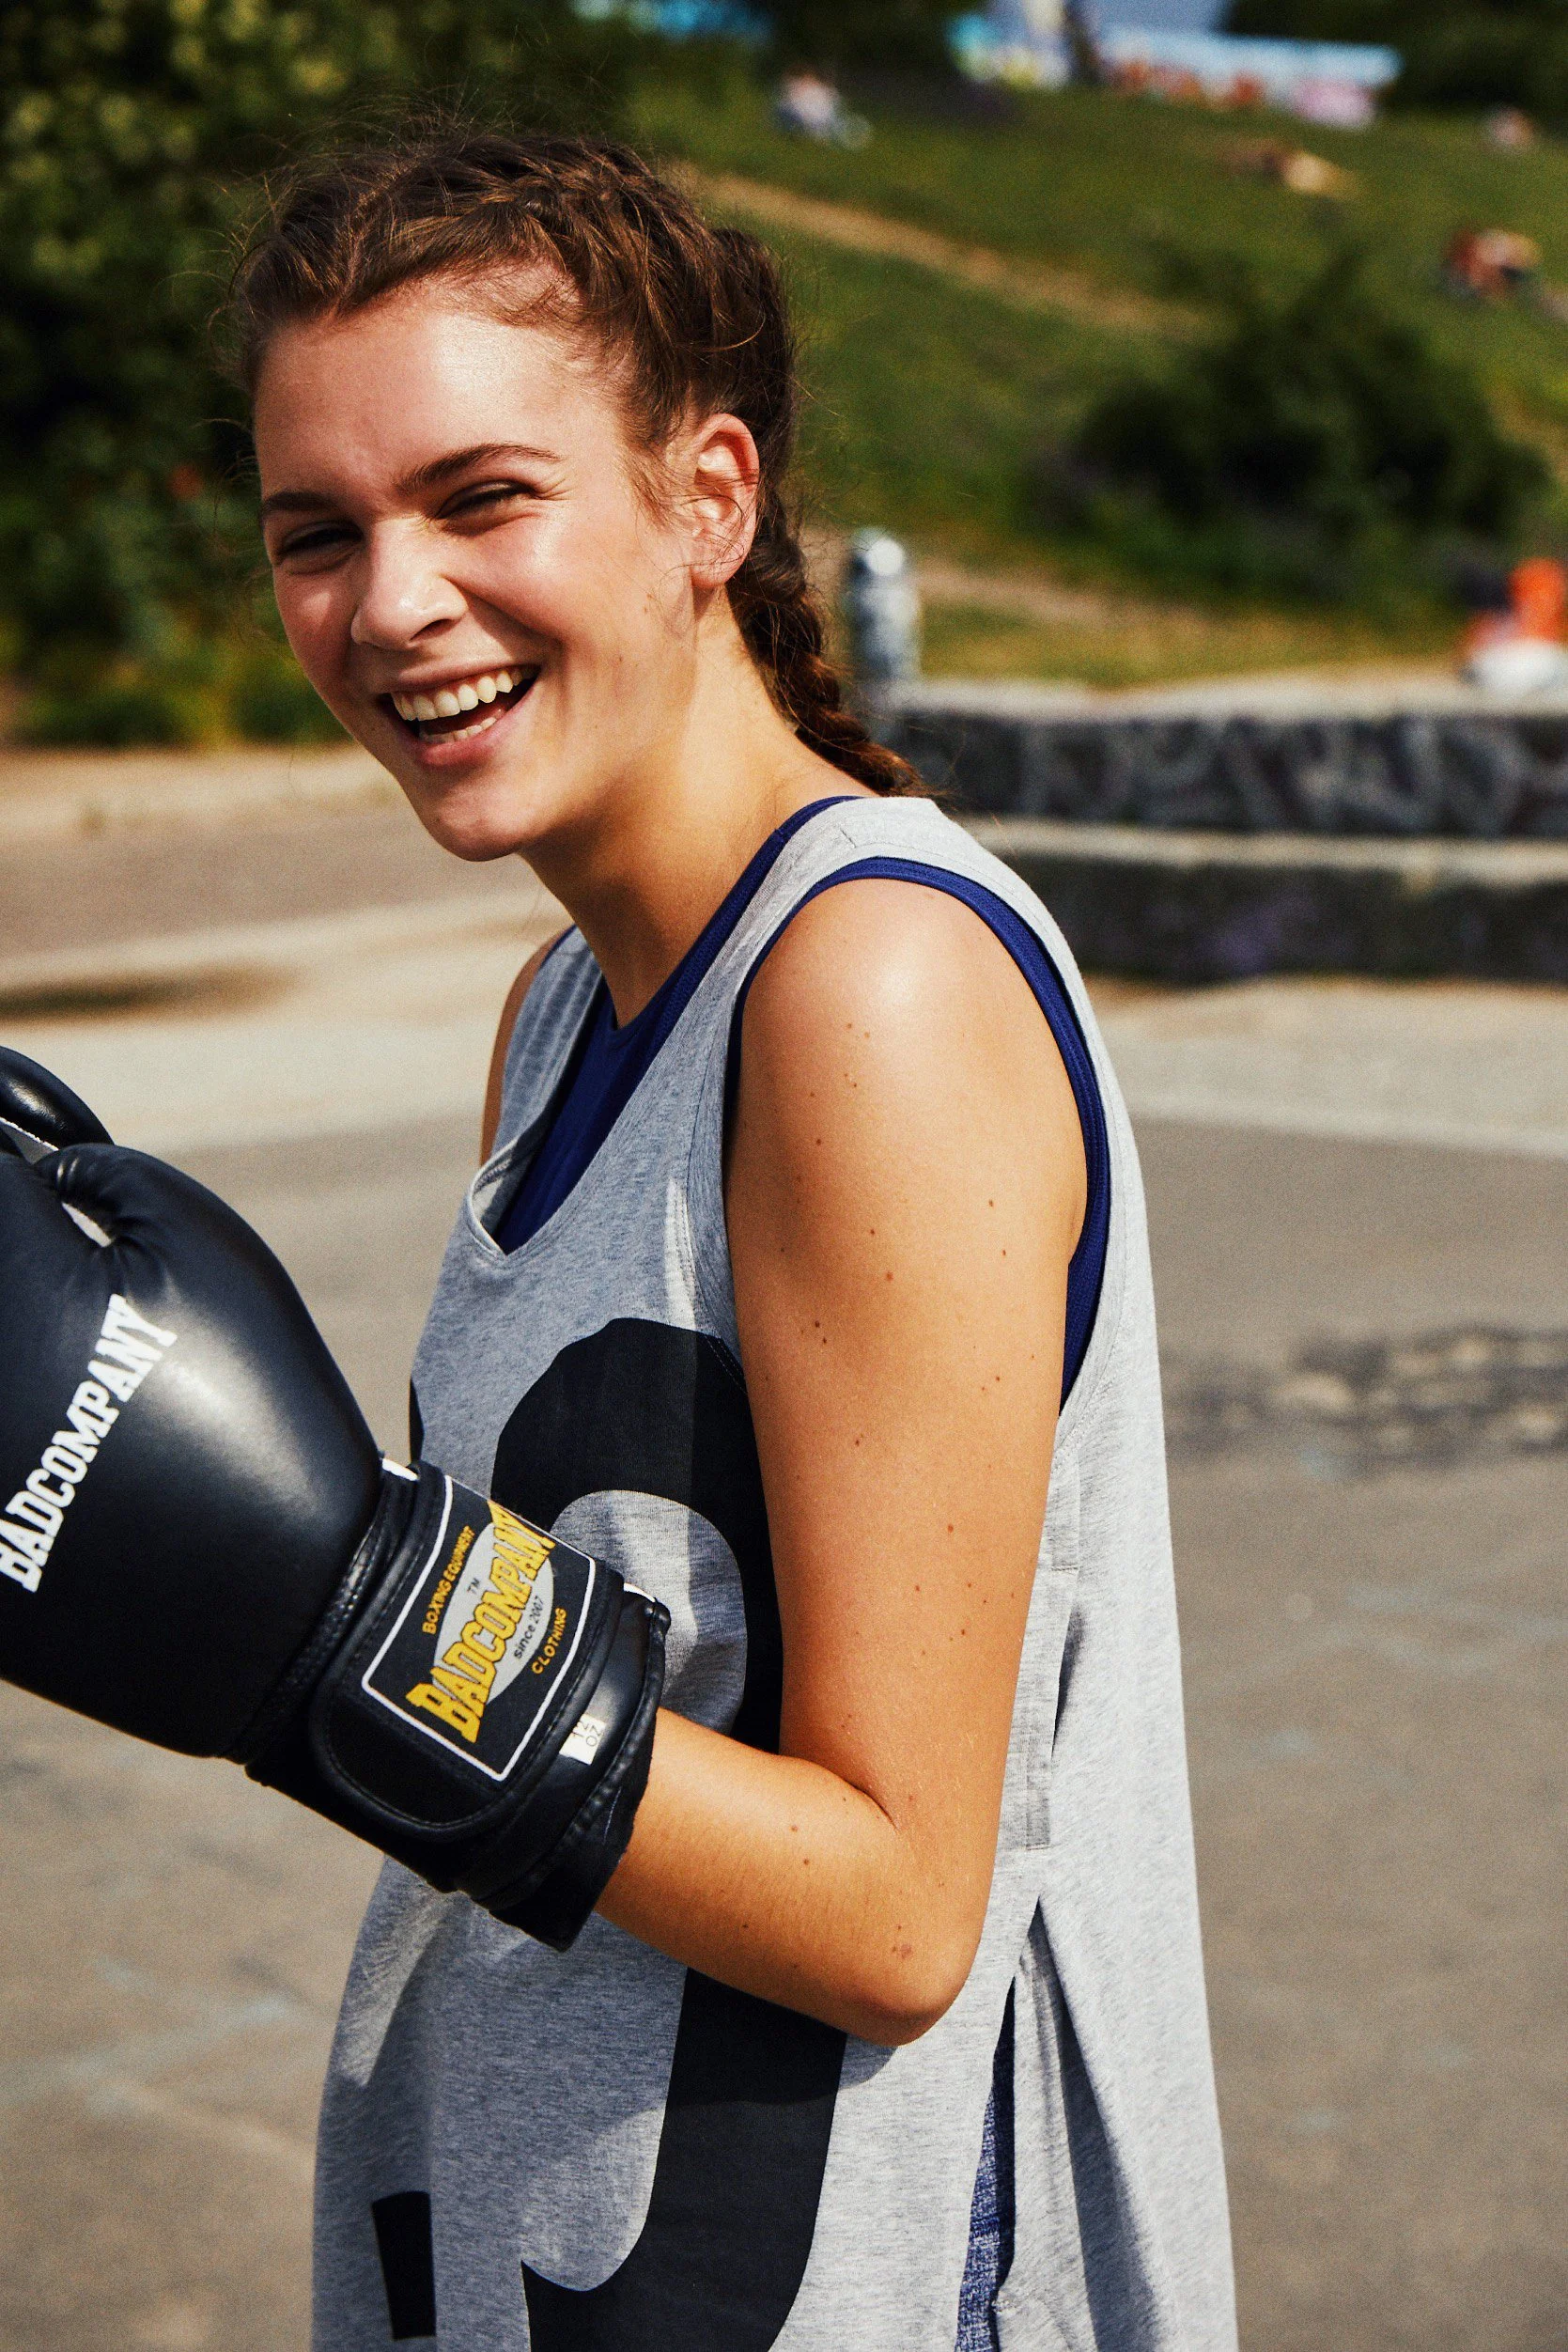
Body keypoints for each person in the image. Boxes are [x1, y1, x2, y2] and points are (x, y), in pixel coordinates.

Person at [0, 126, 1234, 2351]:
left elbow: (894, 1905)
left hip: (857, 2279)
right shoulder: (559, 1009)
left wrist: (322, 1619)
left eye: (482, 498)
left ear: (709, 501)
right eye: (319, 533)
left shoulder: (868, 989)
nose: (389, 605)